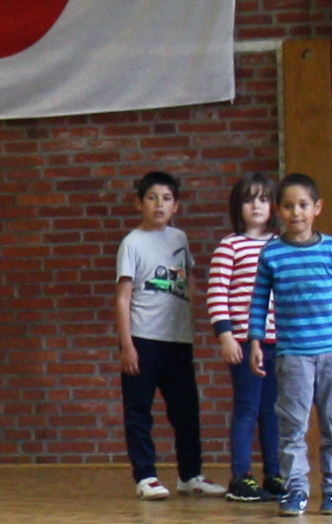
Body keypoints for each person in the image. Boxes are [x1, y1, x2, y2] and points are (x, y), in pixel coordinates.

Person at [249, 175, 332, 515]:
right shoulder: (272, 253)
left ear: (317, 208)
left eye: (302, 205)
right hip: (293, 356)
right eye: (288, 206)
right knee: (293, 427)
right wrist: (256, 340)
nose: (295, 212)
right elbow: (259, 301)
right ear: (278, 211)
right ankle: (296, 490)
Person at [114, 171, 217, 500]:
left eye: (167, 198)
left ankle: (190, 475)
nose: (159, 204)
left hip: (178, 340)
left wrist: (194, 323)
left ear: (176, 205)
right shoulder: (132, 243)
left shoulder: (180, 239)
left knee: (186, 409)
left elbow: (189, 280)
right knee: (139, 409)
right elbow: (123, 297)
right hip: (143, 338)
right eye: (152, 197)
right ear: (139, 203)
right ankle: (145, 476)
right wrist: (127, 344)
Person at [204, 172, 282, 504]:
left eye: (263, 198)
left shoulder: (280, 245)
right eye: (249, 199)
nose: (256, 205)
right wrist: (225, 337)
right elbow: (217, 293)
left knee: (273, 410)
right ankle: (241, 476)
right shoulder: (230, 245)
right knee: (247, 408)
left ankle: (275, 474)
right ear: (238, 206)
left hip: (278, 342)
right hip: (245, 341)